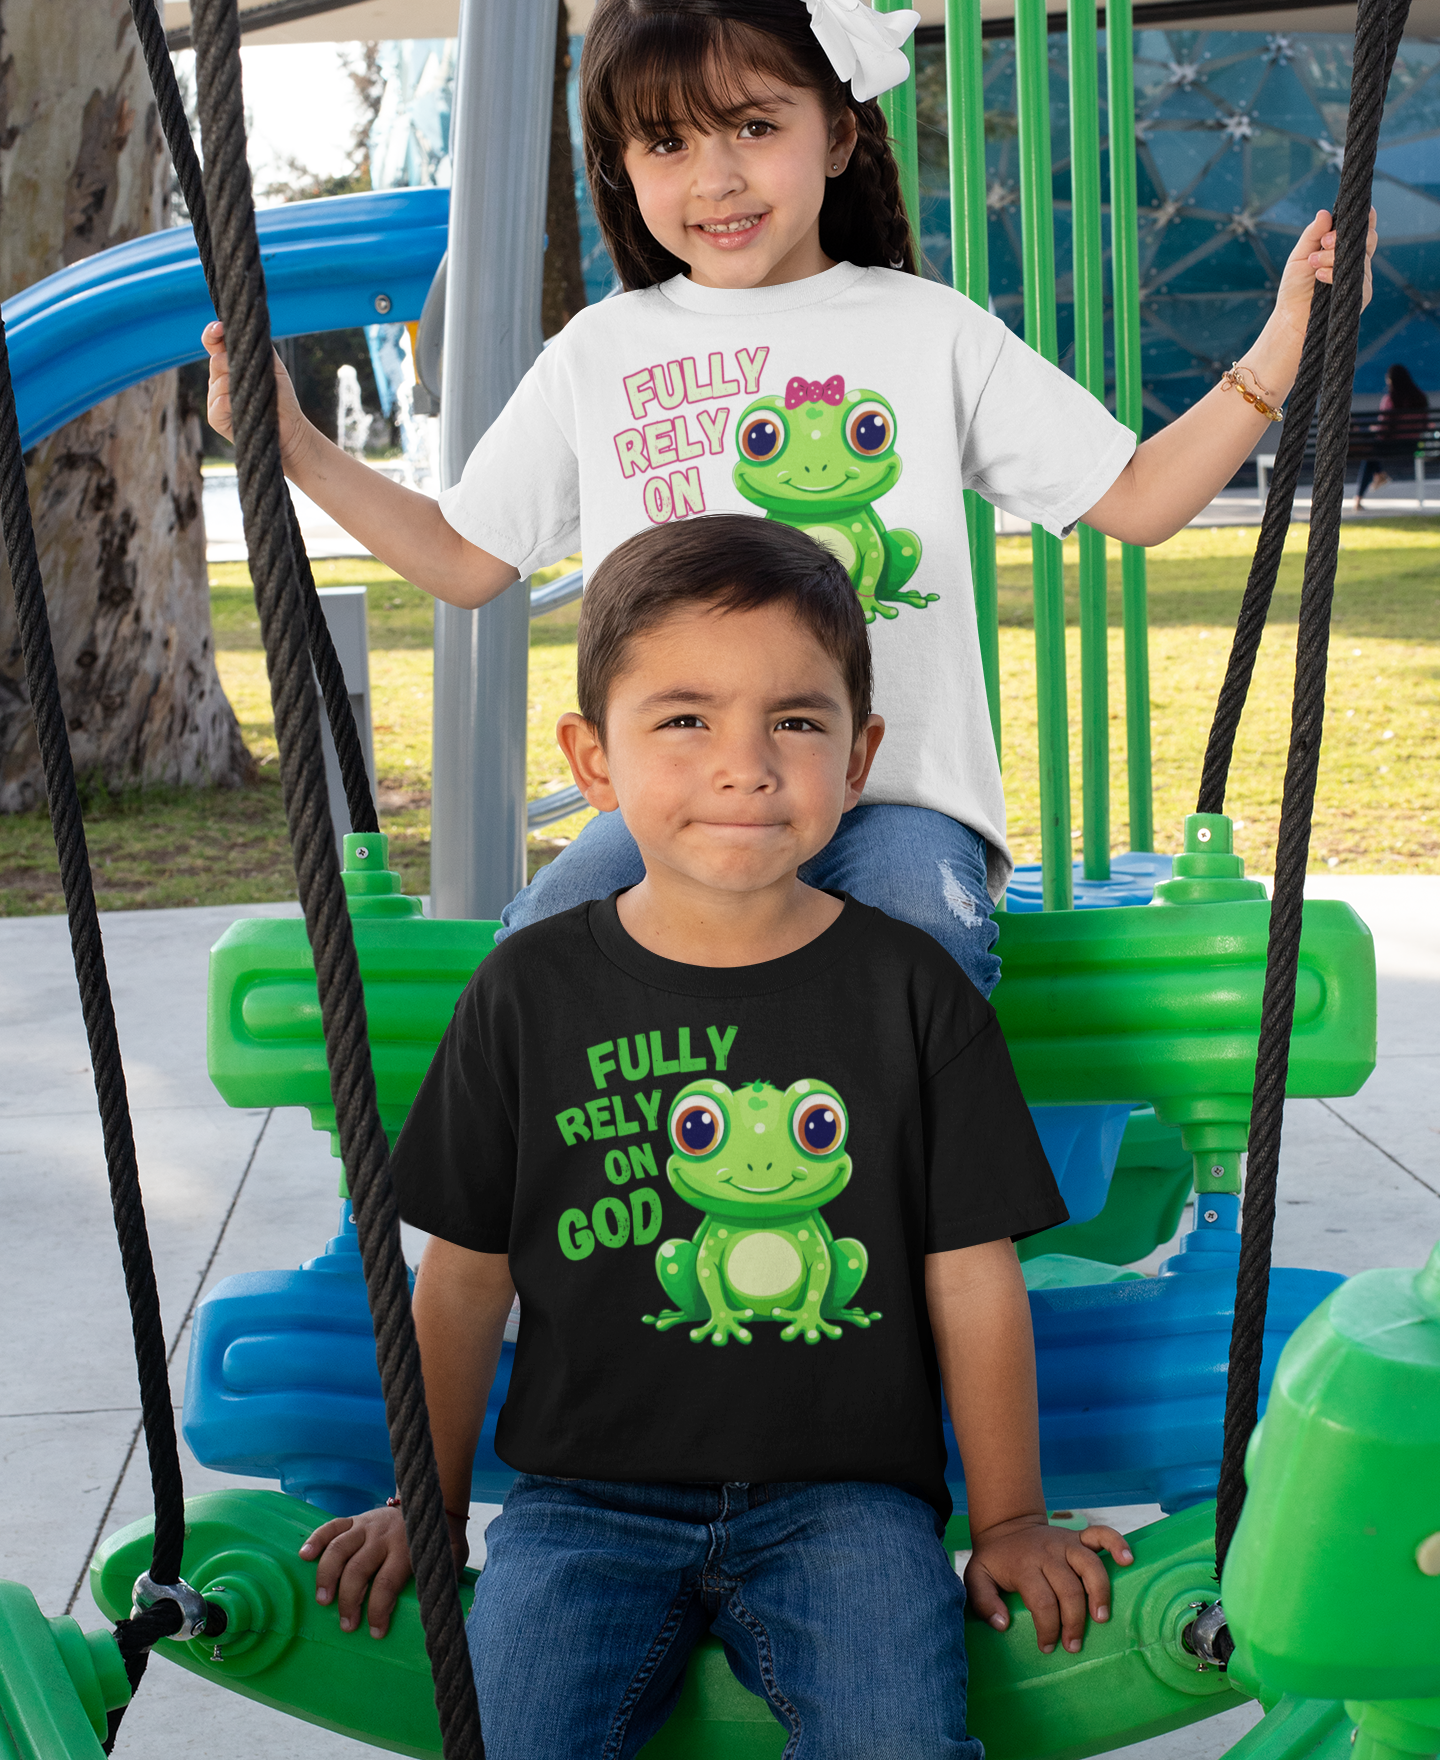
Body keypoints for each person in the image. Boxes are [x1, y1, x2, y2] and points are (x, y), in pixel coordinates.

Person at [202, 0, 1377, 998]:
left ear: (838, 131)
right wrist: (293, 444)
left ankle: (905, 1220)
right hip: (670, 810)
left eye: (755, 127)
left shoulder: (925, 329)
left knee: (913, 934)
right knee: (544, 953)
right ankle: (581, 1222)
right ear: (623, 164)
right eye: (666, 142)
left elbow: (1138, 499)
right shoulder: (603, 352)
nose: (714, 179)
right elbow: (464, 557)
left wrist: (1282, 346)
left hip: (894, 802)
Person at [298, 516, 1136, 1756]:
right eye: (684, 720)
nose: (745, 766)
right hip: (580, 1505)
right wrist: (424, 1502)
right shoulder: (527, 993)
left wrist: (1009, 1517)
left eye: (795, 722)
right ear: (593, 759)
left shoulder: (913, 996)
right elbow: (465, 1282)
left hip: (845, 1506)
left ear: (859, 758)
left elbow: (972, 1274)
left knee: (898, 1743)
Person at [1357, 361, 1427, 510]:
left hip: (1391, 447)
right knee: (1371, 453)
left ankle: (1365, 491)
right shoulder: (1420, 398)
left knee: (1369, 453)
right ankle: (1377, 476)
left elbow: (1384, 427)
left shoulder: (1391, 399)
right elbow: (1425, 424)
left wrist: (1374, 429)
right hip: (1413, 446)